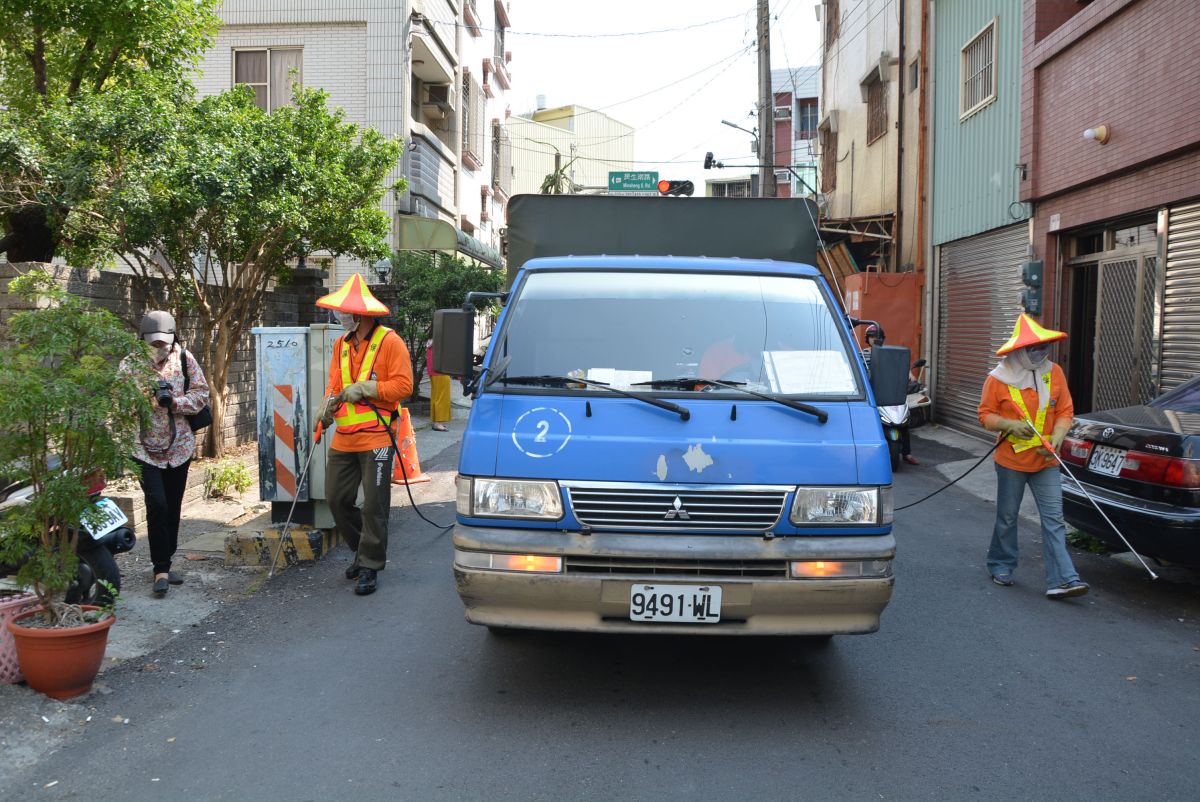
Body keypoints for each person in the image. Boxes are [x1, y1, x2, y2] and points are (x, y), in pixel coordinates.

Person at [978, 313, 1088, 599]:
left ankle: (1063, 579)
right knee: (1007, 517)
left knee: (1054, 519)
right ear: (1019, 350)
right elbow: (985, 415)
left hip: (1046, 459)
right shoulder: (997, 379)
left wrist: (1058, 436)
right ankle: (1001, 564)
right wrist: (1009, 425)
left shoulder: (1054, 373)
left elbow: (1065, 410)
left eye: (1044, 348)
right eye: (1034, 348)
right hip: (1011, 461)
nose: (1041, 353)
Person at [316, 275, 413, 596]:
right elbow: (334, 384)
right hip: (345, 436)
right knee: (336, 498)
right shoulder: (340, 345)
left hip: (378, 438)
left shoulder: (391, 342)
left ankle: (370, 564)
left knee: (374, 505)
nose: (341, 316)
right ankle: (362, 550)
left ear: (360, 315)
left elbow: (404, 386)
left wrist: (367, 388)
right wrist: (326, 408)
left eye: (345, 312)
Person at [122, 311, 210, 597]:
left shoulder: (185, 358)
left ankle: (166, 561)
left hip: (179, 447)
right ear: (142, 338)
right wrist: (140, 401)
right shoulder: (130, 364)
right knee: (157, 504)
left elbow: (201, 394)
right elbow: (117, 402)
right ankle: (160, 569)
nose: (158, 347)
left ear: (172, 338)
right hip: (143, 449)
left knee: (172, 507)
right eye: (153, 342)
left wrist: (175, 402)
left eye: (163, 342)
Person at [862, 325, 918, 465]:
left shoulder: (889, 352)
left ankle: (907, 453)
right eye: (872, 336)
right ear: (867, 339)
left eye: (878, 336)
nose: (875, 339)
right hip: (871, 393)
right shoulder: (861, 355)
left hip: (890, 392)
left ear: (882, 338)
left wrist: (910, 375)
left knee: (903, 420)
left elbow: (900, 365)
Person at [426, 340, 451, 432]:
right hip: (441, 370)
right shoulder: (440, 340)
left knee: (436, 396)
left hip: (434, 370)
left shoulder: (432, 342)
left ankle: (436, 421)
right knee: (442, 397)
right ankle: (438, 423)